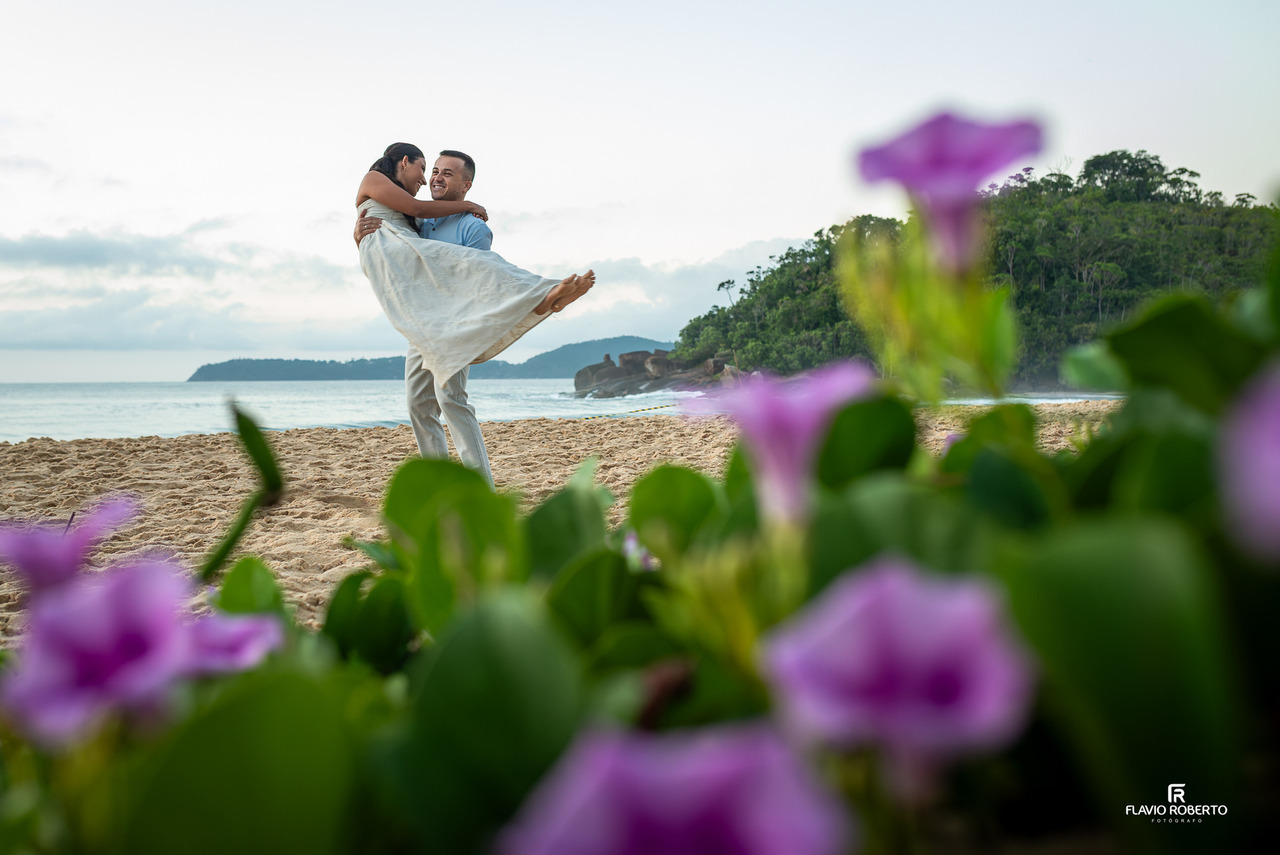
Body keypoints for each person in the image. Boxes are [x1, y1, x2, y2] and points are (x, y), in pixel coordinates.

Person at [354, 143, 594, 487]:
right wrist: (357, 234)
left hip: (458, 320)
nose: (433, 178)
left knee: (451, 398)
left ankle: (544, 296)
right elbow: (389, 241)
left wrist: (468, 210)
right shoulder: (420, 220)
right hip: (425, 322)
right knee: (418, 404)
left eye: (445, 173)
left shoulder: (472, 227)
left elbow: (481, 282)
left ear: (466, 185)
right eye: (433, 170)